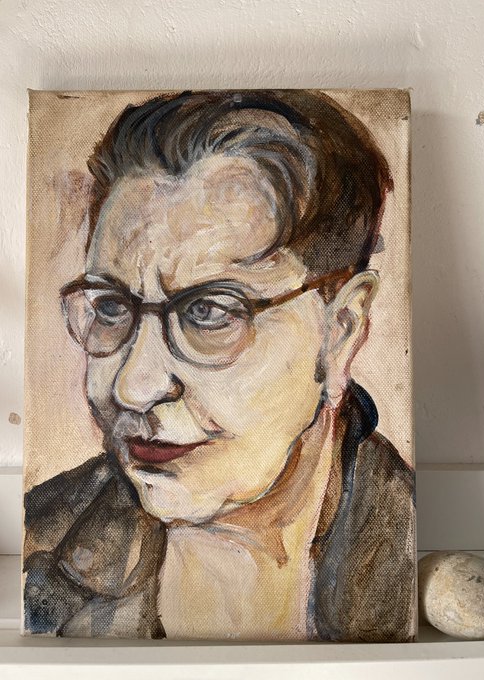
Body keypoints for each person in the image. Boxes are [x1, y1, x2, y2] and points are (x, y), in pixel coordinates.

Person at [23, 90, 415, 641]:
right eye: (111, 307)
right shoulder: (35, 548)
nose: (134, 387)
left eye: (208, 311)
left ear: (340, 331)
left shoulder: (410, 553)